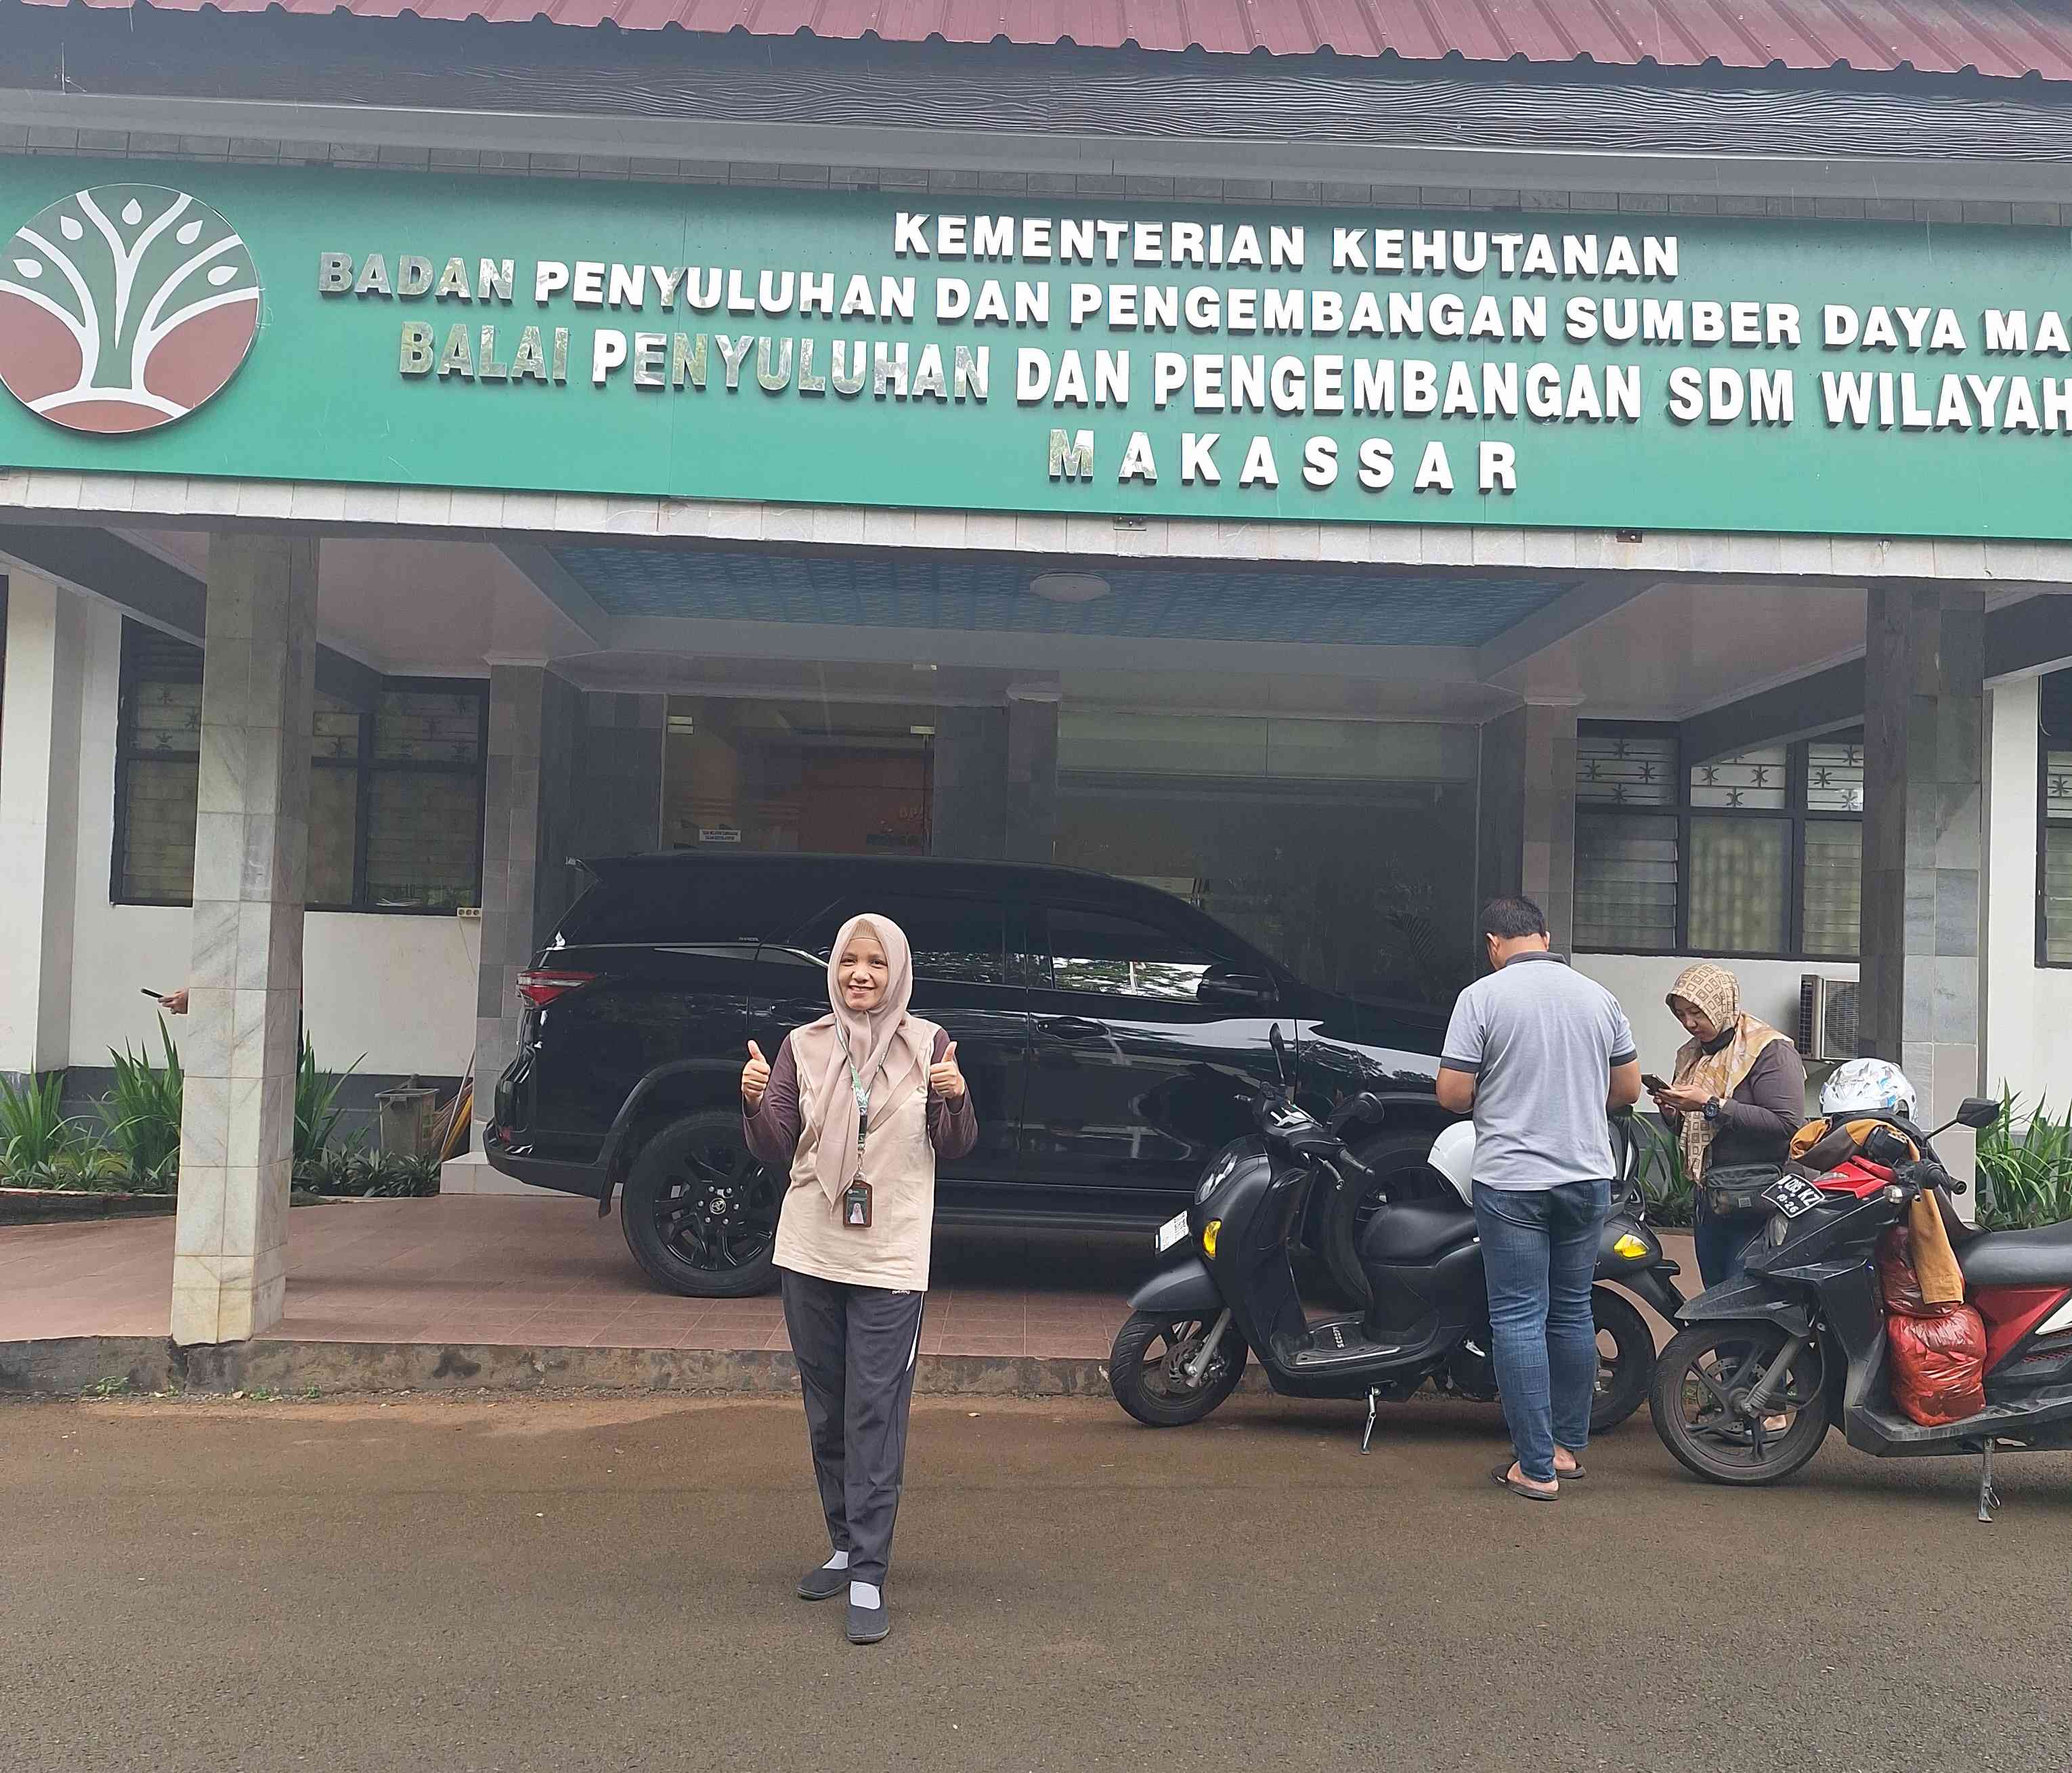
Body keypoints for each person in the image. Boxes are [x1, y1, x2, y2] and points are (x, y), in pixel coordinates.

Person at [740, 912, 975, 1645]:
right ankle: (843, 1544)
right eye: (849, 960)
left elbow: (955, 1145)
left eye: (875, 962)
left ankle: (870, 1571)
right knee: (828, 1408)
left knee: (875, 1410)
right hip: (810, 1249)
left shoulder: (928, 1044)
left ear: (896, 971)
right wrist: (753, 1101)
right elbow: (777, 1144)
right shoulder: (803, 1045)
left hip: (889, 1258)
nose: (860, 975)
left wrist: (955, 1096)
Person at [1435, 895, 1641, 1501]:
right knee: (1572, 1310)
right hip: (1586, 1176)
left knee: (1519, 1316)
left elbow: (1453, 1094)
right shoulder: (1598, 997)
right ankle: (1566, 1450)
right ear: (1545, 937)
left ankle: (1535, 1468)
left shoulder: (1482, 997)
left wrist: (1501, 1092)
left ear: (1493, 944)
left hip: (1514, 1181)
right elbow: (1628, 1089)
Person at [1649, 962, 1805, 1287]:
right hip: (1710, 1199)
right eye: (1681, 1014)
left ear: (1721, 1004)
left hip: (1754, 1201)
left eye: (1697, 1012)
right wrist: (1674, 1113)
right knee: (1715, 1297)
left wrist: (1711, 1104)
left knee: (1744, 1301)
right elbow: (1698, 1130)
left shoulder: (1769, 1050)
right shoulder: (1692, 1055)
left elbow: (1787, 1124)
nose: (1689, 1023)